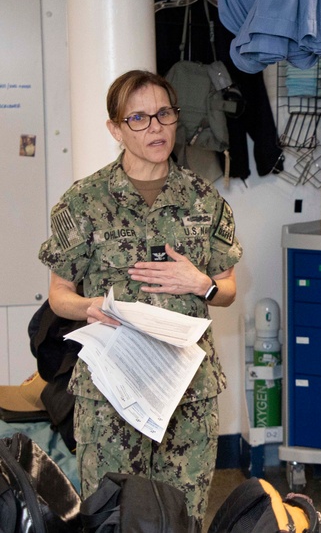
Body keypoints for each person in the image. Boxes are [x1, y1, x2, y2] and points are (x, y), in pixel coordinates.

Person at [37, 69, 242, 521]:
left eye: (164, 114)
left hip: (187, 391)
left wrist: (201, 283)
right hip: (112, 390)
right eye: (139, 118)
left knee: (184, 516)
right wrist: (87, 307)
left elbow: (226, 290)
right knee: (114, 516)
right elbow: (59, 296)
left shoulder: (204, 200)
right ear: (115, 128)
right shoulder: (83, 202)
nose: (155, 128)